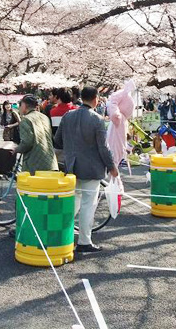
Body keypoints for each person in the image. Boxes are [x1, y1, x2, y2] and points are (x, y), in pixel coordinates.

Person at [54, 87, 118, 253]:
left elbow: (57, 140)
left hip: (71, 167)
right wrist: (112, 167)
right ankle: (84, 241)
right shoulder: (97, 119)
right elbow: (103, 148)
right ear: (96, 99)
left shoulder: (68, 116)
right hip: (91, 168)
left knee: (73, 201)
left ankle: (59, 231)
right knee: (88, 205)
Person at [15, 94, 58, 175]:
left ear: (24, 105)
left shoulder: (26, 120)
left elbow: (27, 143)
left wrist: (16, 150)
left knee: (32, 187)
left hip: (35, 165)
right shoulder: (45, 117)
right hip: (50, 162)